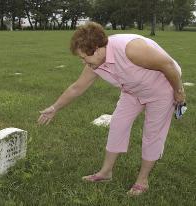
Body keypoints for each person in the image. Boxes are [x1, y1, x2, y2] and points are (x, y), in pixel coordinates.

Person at [37, 22, 186, 196]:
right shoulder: (95, 63)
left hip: (161, 89)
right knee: (118, 124)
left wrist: (179, 92)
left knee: (153, 133)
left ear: (97, 49)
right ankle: (105, 173)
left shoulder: (131, 48)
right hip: (132, 91)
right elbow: (77, 87)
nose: (83, 61)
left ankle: (142, 181)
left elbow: (168, 65)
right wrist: (55, 108)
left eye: (84, 57)